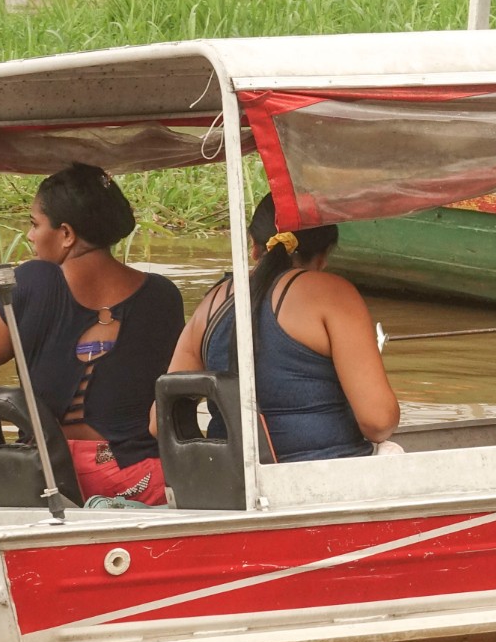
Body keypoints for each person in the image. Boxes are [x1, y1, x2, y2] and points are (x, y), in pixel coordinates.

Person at [0, 163, 184, 504]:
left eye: (34, 224)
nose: (30, 235)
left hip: (47, 481)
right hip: (138, 480)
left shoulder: (31, 282)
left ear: (67, 234)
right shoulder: (163, 295)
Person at [164, 194, 399, 462]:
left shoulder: (211, 304)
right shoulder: (332, 293)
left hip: (233, 483)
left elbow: (160, 421)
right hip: (327, 476)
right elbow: (378, 422)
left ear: (254, 247)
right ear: (323, 256)